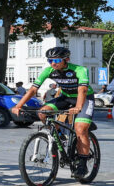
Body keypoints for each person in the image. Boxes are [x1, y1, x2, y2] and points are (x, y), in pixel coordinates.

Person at [12, 46, 95, 177]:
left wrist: (78, 107)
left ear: (66, 59)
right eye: (50, 60)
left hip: (84, 99)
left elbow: (82, 90)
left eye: (56, 60)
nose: (53, 63)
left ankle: (83, 164)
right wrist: (18, 106)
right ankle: (59, 135)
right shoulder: (49, 70)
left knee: (80, 129)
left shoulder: (79, 70)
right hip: (66, 97)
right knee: (42, 112)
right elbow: (33, 89)